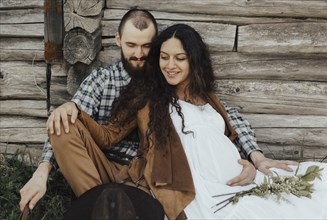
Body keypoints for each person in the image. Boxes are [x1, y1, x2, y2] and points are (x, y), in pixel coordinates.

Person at [19, 9, 296, 212]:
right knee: (64, 120)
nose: (140, 54)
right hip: (113, 170)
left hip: (159, 177)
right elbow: (104, 134)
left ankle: (115, 208)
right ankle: (104, 208)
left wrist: (254, 157)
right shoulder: (116, 83)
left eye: (147, 47)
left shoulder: (190, 92)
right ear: (117, 40)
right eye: (131, 45)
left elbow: (228, 121)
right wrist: (72, 109)